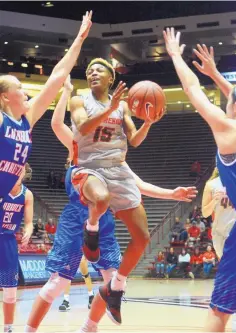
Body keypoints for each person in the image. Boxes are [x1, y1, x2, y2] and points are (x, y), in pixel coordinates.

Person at [22, 76, 198, 333]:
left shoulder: (112, 160)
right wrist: (67, 92)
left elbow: (136, 183)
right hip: (76, 219)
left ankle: (89, 328)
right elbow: (57, 123)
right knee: (58, 282)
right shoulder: (77, 146)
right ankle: (28, 330)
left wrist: (172, 194)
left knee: (112, 282)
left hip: (103, 221)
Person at [163, 27, 236, 332]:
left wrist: (175, 55)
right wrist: (216, 74)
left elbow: (193, 92)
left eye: (230, 102)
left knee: (220, 307)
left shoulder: (233, 132)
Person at [0, 11, 92, 201]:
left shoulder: (26, 119)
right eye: (19, 88)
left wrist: (79, 40)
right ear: (5, 97)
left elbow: (56, 77)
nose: (26, 93)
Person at [202, 167, 236, 331]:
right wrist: (214, 200)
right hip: (222, 236)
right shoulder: (212, 185)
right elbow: (205, 212)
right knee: (235, 275)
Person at [0, 167, 34, 333]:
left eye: (20, 171)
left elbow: (28, 222)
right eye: (15, 170)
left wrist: (28, 230)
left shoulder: (27, 195)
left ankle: (8, 328)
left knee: (11, 291)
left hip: (8, 242)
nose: (17, 174)